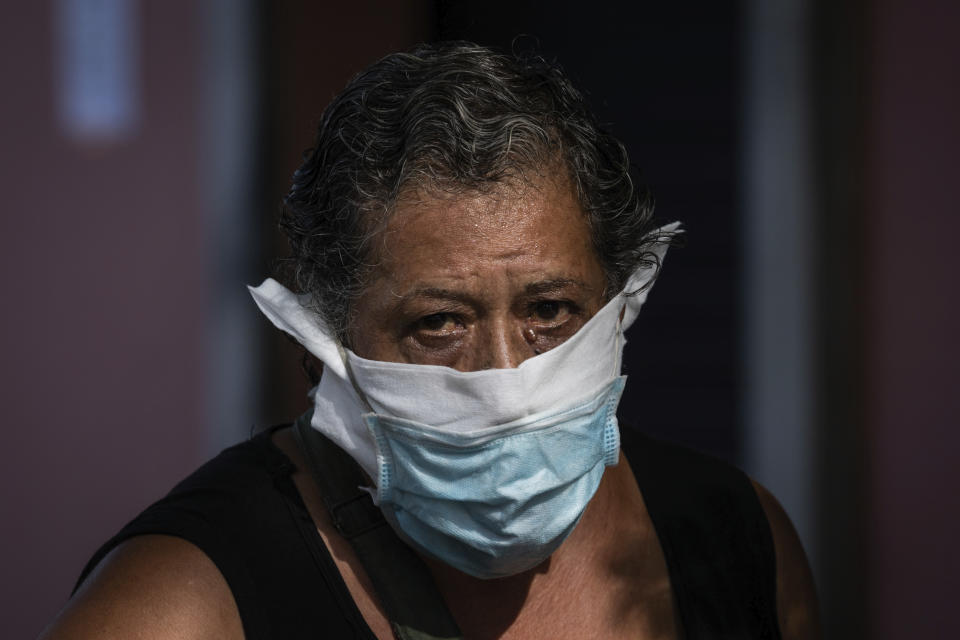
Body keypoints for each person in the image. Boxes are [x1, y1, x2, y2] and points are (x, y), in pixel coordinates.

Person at [41, 42, 819, 639]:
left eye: (549, 308)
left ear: (619, 304)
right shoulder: (181, 609)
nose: (507, 379)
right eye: (438, 323)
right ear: (324, 347)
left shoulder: (736, 542)